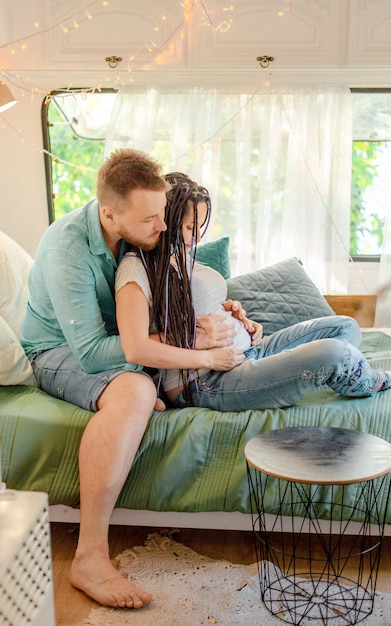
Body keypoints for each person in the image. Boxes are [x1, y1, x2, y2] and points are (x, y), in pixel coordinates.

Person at [21, 151, 244, 610]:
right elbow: (94, 352)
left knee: (150, 382)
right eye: (151, 219)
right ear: (109, 213)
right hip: (57, 352)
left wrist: (222, 311)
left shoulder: (140, 234)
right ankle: (88, 557)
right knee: (137, 388)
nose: (162, 228)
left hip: (118, 342)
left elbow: (167, 298)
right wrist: (189, 343)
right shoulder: (68, 247)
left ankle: (145, 395)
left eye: (163, 214)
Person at [115, 171, 391, 413]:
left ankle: (316, 371)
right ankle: (387, 378)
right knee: (334, 352)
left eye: (201, 227)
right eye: (190, 227)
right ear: (166, 220)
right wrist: (207, 353)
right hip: (206, 379)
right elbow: (137, 346)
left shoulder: (184, 259)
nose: (196, 237)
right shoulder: (137, 268)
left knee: (344, 326)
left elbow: (195, 308)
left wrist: (236, 317)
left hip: (249, 352)